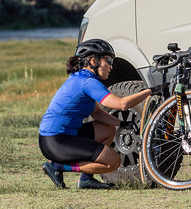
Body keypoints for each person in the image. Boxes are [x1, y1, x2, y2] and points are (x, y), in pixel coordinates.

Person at [39, 38, 161, 190]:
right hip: (55, 141)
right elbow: (121, 104)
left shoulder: (82, 78)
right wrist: (150, 91)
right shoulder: (88, 82)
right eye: (108, 61)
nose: (111, 66)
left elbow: (97, 114)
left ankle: (85, 181)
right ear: (93, 61)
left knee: (108, 129)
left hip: (65, 135)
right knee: (112, 162)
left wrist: (122, 123)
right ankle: (57, 166)